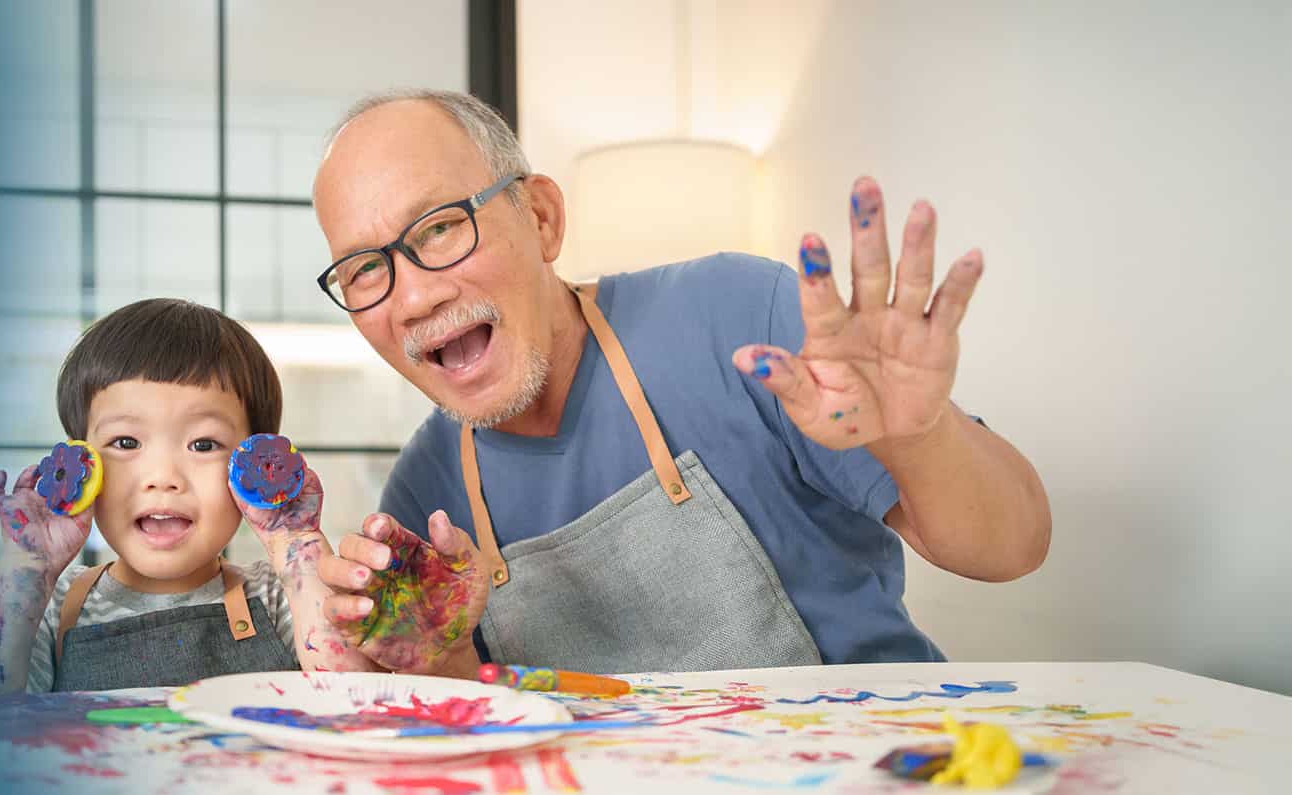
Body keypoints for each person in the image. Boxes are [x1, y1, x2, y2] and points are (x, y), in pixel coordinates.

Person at [305, 89, 1053, 677]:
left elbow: (1014, 547)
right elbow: (477, 723)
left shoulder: (734, 317)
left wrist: (916, 432)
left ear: (540, 218)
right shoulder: (423, 493)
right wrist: (443, 660)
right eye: (365, 269)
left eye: (437, 227)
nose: (411, 298)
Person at [0, 298, 366, 693]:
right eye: (125, 443)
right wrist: (24, 568)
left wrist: (297, 546)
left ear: (253, 461)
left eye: (203, 444)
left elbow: (354, 702)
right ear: (83, 466)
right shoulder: (51, 606)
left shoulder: (279, 597)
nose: (162, 477)